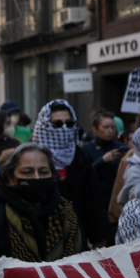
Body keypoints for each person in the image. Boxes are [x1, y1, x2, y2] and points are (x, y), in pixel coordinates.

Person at [0, 144, 83, 261]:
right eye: (27, 172)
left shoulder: (65, 209)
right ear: (11, 179)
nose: (37, 178)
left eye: (43, 172)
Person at [31, 99, 107, 248]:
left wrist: (98, 238)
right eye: (58, 124)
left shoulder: (81, 156)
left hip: (77, 237)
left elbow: (93, 202)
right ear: (45, 125)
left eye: (69, 123)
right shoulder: (30, 157)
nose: (64, 128)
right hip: (41, 237)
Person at [82, 112, 128, 220]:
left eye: (112, 127)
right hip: (97, 202)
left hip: (118, 200)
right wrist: (102, 160)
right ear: (95, 128)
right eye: (106, 127)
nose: (110, 131)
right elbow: (83, 174)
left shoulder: (121, 147)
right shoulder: (87, 148)